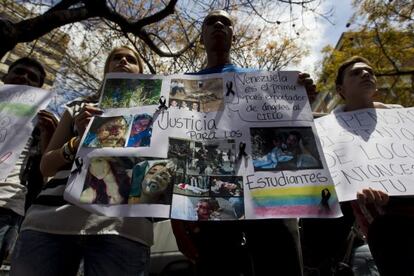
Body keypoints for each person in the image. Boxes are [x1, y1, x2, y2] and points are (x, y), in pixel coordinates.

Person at [171, 9, 317, 276]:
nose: (218, 25)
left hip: (268, 198)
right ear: (201, 36)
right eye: (210, 22)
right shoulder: (183, 88)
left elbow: (289, 133)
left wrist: (303, 102)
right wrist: (176, 219)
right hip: (211, 201)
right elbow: (177, 152)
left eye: (225, 22)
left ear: (233, 36)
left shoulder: (262, 82)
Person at [11, 46, 153, 276]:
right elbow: (46, 166)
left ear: (141, 72)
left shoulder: (158, 115)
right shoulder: (78, 107)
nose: (123, 61)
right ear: (106, 68)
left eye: (131, 59)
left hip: (123, 228)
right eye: (116, 58)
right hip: (51, 221)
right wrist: (77, 141)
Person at [334, 56, 412, 276]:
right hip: (384, 224)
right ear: (341, 90)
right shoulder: (330, 130)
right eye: (356, 73)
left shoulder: (401, 116)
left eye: (369, 71)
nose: (366, 74)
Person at [0, 57, 58, 266]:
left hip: (6, 205)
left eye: (32, 77)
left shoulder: (42, 123)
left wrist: (48, 135)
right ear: (5, 76)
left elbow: (47, 173)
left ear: (38, 88)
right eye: (19, 71)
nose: (24, 77)